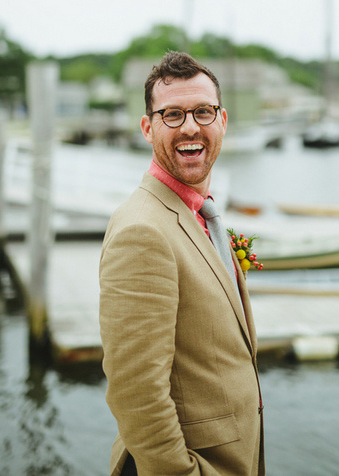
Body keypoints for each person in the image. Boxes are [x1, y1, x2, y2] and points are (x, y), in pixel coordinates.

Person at [99, 51, 264, 476]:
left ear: (222, 121)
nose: (190, 126)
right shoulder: (142, 231)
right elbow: (137, 394)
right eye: (172, 114)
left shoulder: (199, 214)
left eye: (203, 112)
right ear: (147, 128)